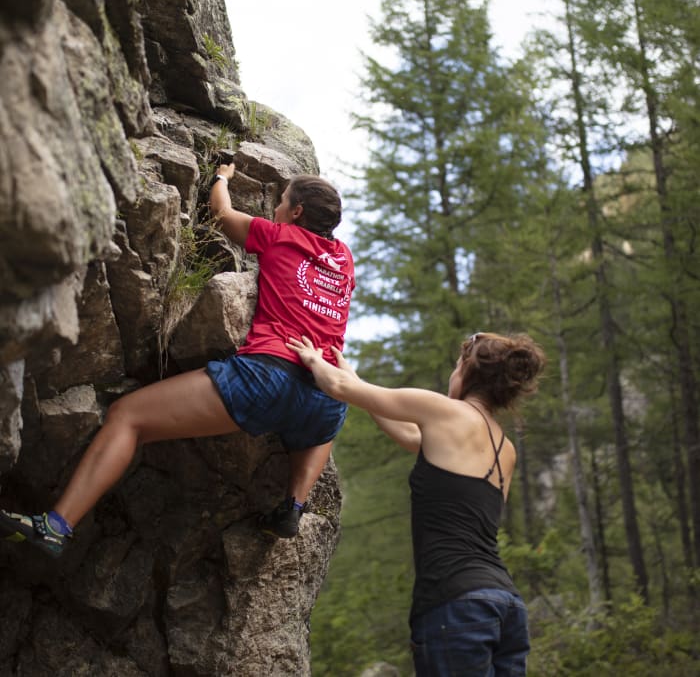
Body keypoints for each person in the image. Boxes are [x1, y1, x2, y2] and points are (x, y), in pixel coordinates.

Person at [0, 164, 355, 557]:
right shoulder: (345, 259)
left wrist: (222, 178)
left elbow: (221, 213)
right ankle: (293, 504)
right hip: (326, 395)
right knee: (318, 417)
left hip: (269, 376)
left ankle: (56, 526)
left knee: (126, 416)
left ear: (297, 212)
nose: (275, 209)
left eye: (282, 201)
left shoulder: (278, 235)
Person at [286, 330, 546, 677]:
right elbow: (411, 435)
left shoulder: (445, 411)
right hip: (506, 605)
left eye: (456, 366)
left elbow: (338, 388)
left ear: (467, 370)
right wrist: (354, 379)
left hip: (456, 602)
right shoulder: (505, 449)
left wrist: (313, 359)